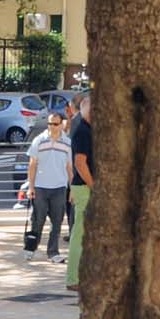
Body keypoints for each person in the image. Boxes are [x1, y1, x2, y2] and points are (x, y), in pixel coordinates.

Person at [20, 111, 73, 258]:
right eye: (49, 123)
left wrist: (72, 188)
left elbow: (69, 167)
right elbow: (32, 164)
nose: (52, 127)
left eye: (55, 124)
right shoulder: (39, 140)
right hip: (41, 187)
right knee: (38, 220)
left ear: (61, 124)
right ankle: (30, 249)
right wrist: (31, 187)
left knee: (57, 222)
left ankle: (53, 252)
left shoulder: (67, 143)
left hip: (59, 187)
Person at [65, 93, 95, 291]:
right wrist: (94, 185)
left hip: (84, 186)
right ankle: (74, 278)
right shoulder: (83, 131)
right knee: (80, 232)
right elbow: (80, 163)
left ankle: (80, 275)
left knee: (85, 232)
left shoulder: (87, 129)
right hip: (84, 187)